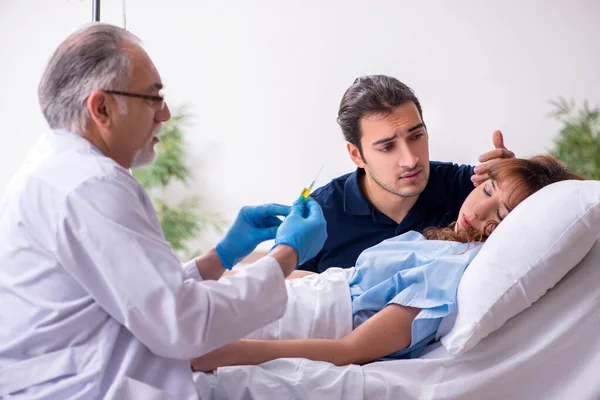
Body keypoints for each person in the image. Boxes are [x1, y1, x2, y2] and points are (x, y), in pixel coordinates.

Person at [0, 24, 327, 399]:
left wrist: (218, 257)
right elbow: (181, 324)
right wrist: (287, 256)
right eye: (153, 98)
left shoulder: (53, 171)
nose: (165, 114)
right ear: (102, 108)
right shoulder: (91, 185)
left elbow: (139, 295)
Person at [190, 156, 584, 372]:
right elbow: (342, 284)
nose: (479, 210)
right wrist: (233, 262)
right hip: (291, 297)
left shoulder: (455, 269)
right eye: (486, 189)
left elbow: (350, 349)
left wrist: (223, 354)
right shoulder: (441, 242)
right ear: (356, 154)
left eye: (502, 213)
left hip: (291, 321)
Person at [299, 75, 516, 273]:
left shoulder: (472, 188)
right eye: (387, 147)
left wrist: (516, 181)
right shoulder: (318, 215)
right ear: (356, 155)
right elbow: (286, 292)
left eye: (416, 136)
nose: (411, 160)